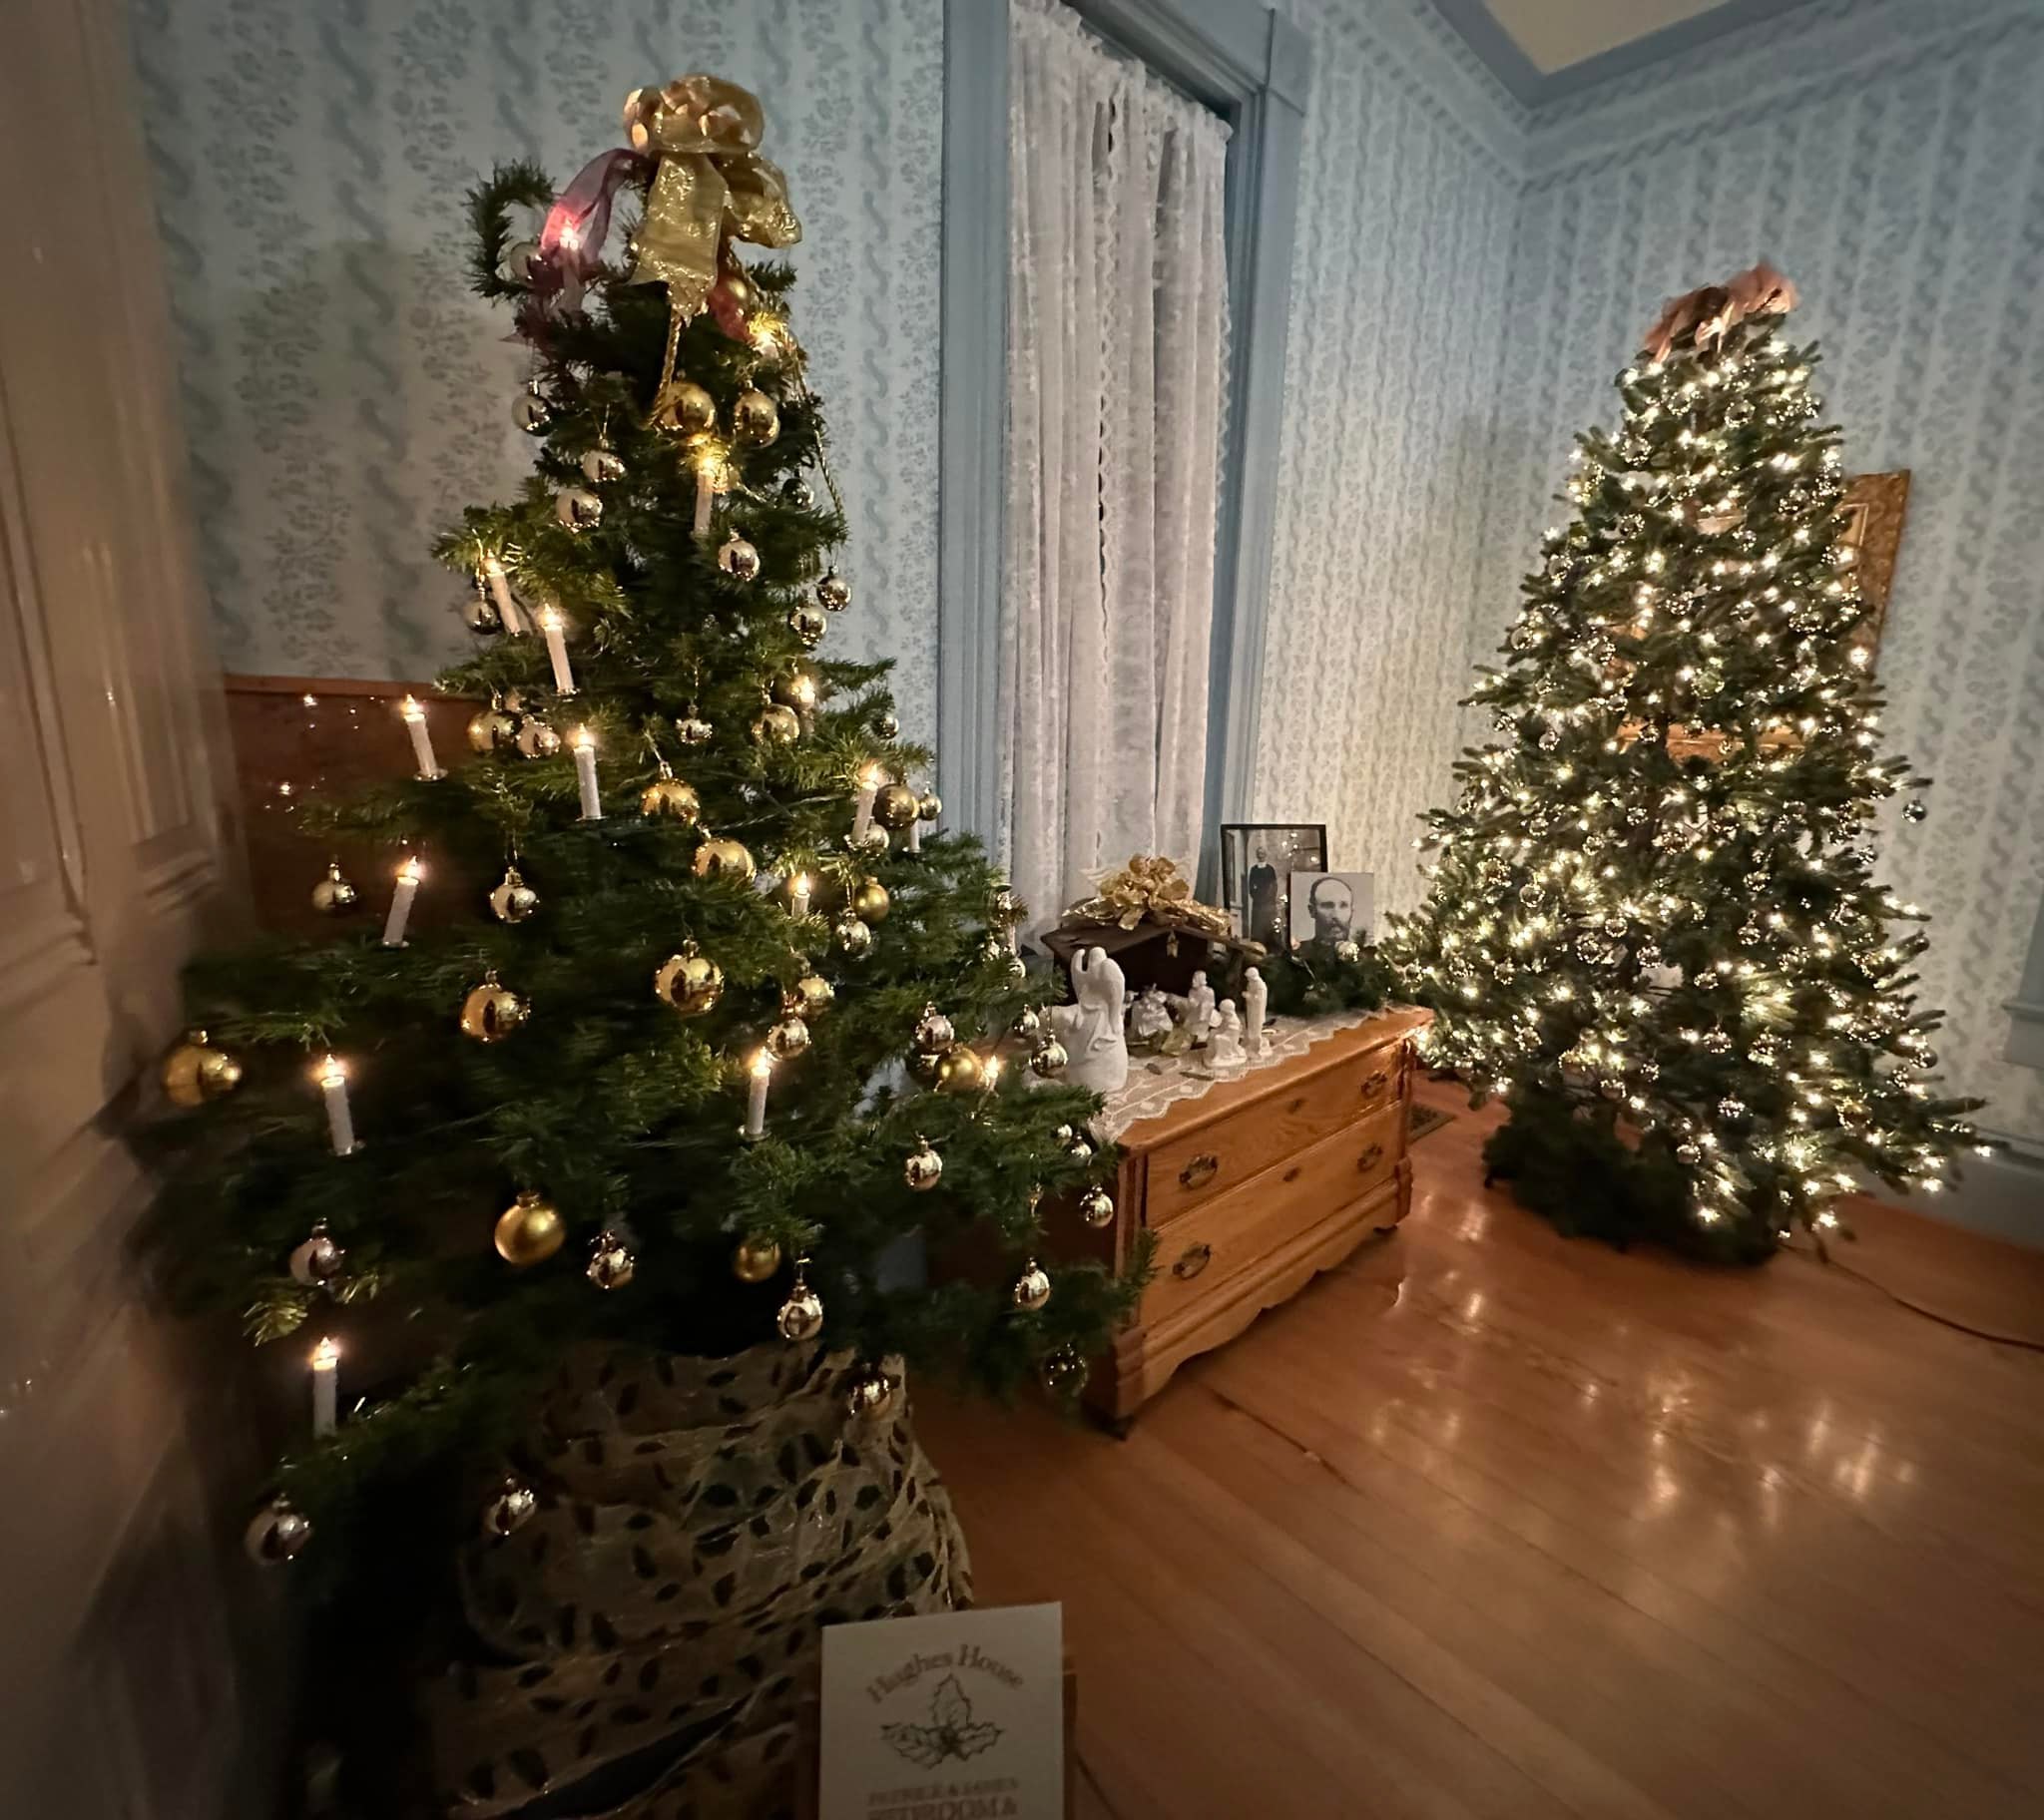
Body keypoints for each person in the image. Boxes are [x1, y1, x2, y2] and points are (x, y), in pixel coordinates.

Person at [1246, 844, 1280, 946]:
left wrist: (1269, 897)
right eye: (1259, 854)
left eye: (1262, 853)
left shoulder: (1270, 869)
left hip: (1269, 902)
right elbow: (1251, 886)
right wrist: (1256, 896)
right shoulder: (1254, 869)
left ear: (1265, 855)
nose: (1261, 855)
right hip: (1258, 902)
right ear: (1257, 855)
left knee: (1269, 924)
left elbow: (1274, 885)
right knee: (1258, 926)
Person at [1306, 874, 1354, 944]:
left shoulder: (1364, 953)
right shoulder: (1297, 952)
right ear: (1312, 911)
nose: (1336, 915)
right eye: (1327, 906)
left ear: (1351, 911)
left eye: (1343, 906)